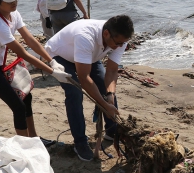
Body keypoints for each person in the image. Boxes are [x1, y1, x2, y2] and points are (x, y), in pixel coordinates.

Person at [0, 0, 72, 145]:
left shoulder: (14, 14)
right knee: (18, 106)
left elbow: (30, 39)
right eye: (9, 0)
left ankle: (33, 139)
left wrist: (52, 60)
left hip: (3, 63)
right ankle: (24, 147)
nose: (14, 2)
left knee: (27, 97)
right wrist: (52, 72)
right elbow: (23, 53)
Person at [45, 15, 134, 161]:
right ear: (106, 34)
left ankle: (112, 131)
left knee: (106, 90)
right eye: (117, 43)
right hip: (60, 56)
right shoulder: (85, 36)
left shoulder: (120, 39)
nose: (120, 46)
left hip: (88, 57)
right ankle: (80, 142)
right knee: (75, 92)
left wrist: (110, 95)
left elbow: (111, 71)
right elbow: (84, 78)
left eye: (122, 43)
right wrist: (103, 104)